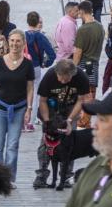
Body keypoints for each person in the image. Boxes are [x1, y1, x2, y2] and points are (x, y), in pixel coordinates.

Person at [0, 30, 36, 178]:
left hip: (19, 109)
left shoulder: (28, 64)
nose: (14, 44)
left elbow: (30, 87)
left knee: (12, 145)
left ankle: (9, 179)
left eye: (18, 41)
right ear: (7, 42)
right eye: (12, 40)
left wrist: (29, 109)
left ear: (23, 43)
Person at [33, 59, 91, 189]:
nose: (62, 82)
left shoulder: (81, 77)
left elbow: (81, 100)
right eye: (60, 79)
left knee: (69, 143)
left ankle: (66, 176)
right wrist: (47, 122)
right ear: (56, 73)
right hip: (51, 109)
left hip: (71, 108)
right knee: (45, 144)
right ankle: (41, 175)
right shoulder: (49, 76)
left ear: (72, 75)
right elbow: (42, 101)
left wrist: (70, 121)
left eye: (66, 80)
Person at [72, 0, 105, 93]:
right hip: (95, 63)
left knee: (85, 92)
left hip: (84, 64)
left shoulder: (82, 29)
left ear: (81, 11)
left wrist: (73, 68)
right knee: (92, 91)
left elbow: (78, 52)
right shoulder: (100, 26)